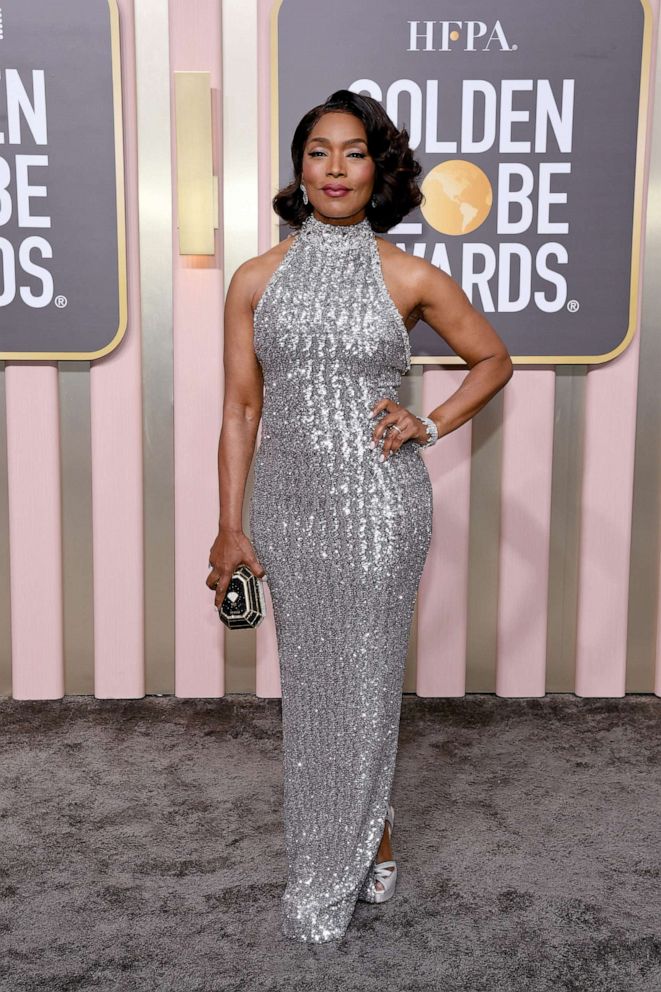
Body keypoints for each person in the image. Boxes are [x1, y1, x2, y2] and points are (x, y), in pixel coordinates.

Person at [206, 89, 512, 943]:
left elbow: (491, 358)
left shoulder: (404, 274)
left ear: (376, 169)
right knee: (314, 690)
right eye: (318, 152)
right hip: (287, 508)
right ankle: (369, 834)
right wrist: (231, 527)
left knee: (367, 685)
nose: (334, 168)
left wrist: (431, 420)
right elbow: (239, 409)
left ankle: (334, 867)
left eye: (352, 152)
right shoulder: (255, 279)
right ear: (299, 169)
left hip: (381, 507)